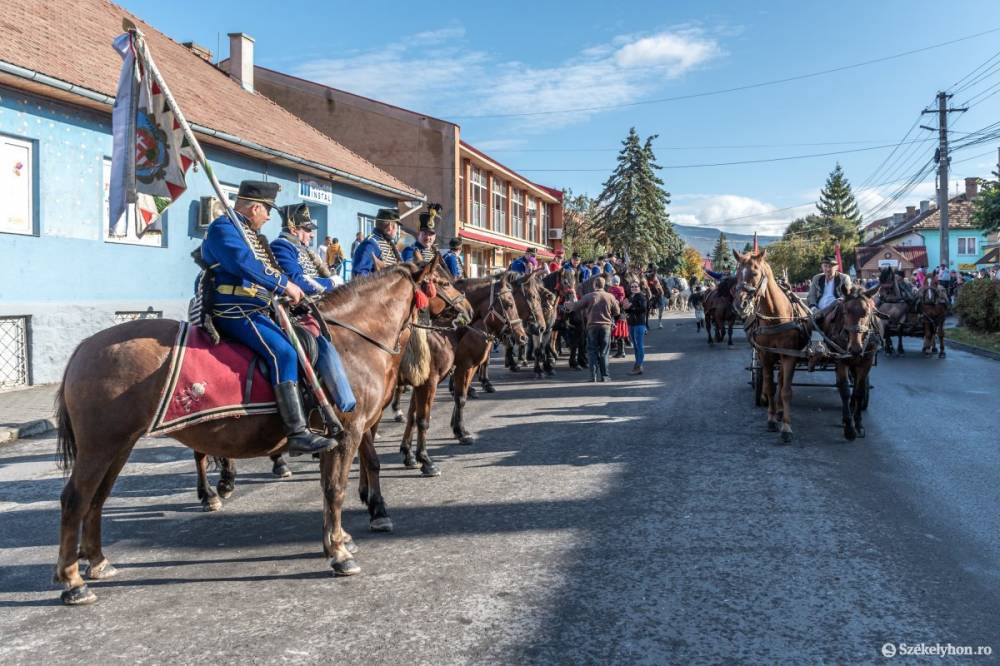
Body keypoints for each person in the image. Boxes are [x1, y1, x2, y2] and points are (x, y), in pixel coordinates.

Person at [199, 180, 337, 455]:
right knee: (284, 353)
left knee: (303, 342)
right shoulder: (223, 228)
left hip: (256, 306)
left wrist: (289, 289)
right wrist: (283, 285)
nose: (270, 216)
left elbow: (267, 267)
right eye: (267, 210)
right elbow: (243, 264)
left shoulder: (248, 232)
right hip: (234, 308)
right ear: (255, 207)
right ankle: (296, 432)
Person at [563, 276, 620, 382]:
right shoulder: (610, 296)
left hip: (592, 327)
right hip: (605, 327)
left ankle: (592, 376)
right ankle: (605, 376)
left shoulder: (588, 296)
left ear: (594, 285)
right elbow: (617, 312)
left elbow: (576, 307)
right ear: (604, 285)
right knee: (604, 352)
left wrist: (568, 305)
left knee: (592, 352)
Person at [352, 209, 402, 276]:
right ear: (390, 226)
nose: (397, 231)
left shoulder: (389, 244)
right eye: (396, 226)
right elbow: (359, 275)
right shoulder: (370, 244)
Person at [624, 280, 649, 374]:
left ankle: (639, 365)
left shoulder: (641, 297)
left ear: (639, 287)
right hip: (632, 323)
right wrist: (626, 308)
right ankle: (637, 365)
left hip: (639, 324)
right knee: (635, 346)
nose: (634, 288)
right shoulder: (631, 297)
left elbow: (643, 309)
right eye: (632, 287)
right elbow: (628, 310)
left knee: (639, 345)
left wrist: (630, 307)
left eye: (636, 286)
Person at [608, 275, 628, 358]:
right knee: (616, 333)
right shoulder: (610, 289)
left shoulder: (621, 289)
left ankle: (621, 351)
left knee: (619, 332)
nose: (615, 283)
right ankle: (620, 351)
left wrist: (616, 301)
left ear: (618, 282)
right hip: (613, 312)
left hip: (619, 313)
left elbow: (621, 299)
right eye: (614, 282)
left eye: (616, 282)